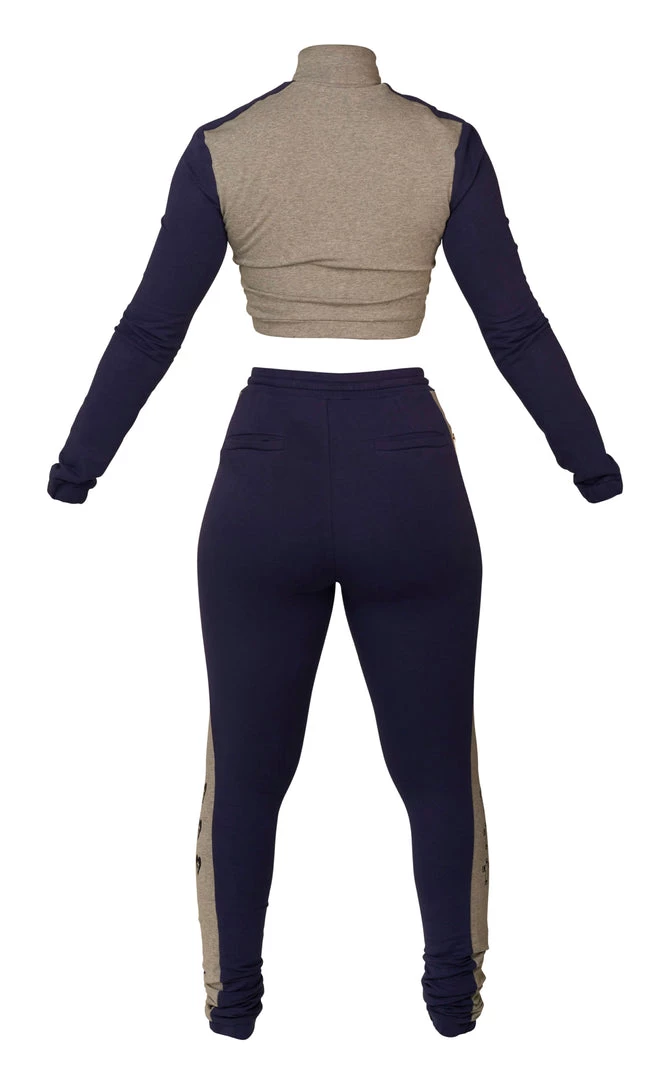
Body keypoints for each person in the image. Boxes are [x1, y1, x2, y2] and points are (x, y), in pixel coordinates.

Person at [47, 43, 623, 1040]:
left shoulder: (227, 145)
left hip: (262, 472)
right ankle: (453, 998)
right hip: (409, 471)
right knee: (437, 766)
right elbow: (515, 327)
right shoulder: (444, 143)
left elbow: (150, 327)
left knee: (245, 770)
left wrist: (79, 464)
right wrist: (587, 461)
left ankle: (233, 1001)